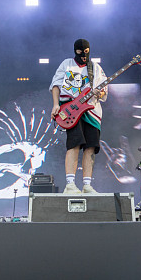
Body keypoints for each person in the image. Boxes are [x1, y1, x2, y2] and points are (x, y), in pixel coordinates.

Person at [50, 39, 107, 194]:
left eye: (86, 52)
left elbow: (104, 90)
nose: (83, 55)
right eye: (80, 52)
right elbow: (55, 85)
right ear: (75, 51)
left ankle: (87, 185)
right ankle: (70, 184)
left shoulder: (95, 68)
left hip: (92, 111)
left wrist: (99, 93)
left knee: (91, 147)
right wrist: (55, 104)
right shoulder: (66, 64)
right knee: (74, 144)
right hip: (71, 109)